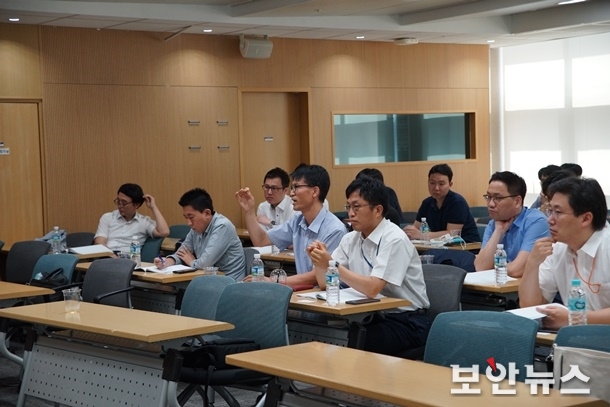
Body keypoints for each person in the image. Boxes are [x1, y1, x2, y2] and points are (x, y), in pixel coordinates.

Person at [307, 176, 430, 356]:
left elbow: (373, 288)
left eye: (356, 207)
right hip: (370, 315)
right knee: (320, 330)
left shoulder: (394, 239)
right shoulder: (350, 238)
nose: (350, 213)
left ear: (378, 210)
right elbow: (326, 284)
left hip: (407, 321)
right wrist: (319, 262)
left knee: (355, 341)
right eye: (348, 207)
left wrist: (332, 264)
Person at [519, 177, 610, 329]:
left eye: (558, 212)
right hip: (573, 338)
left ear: (586, 218)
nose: (549, 220)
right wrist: (532, 264)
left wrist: (576, 318)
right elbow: (530, 307)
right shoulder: (557, 248)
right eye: (550, 210)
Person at [235, 164, 346, 287]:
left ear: (315, 191)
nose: (292, 193)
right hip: (304, 292)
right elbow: (261, 240)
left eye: (296, 187)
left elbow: (320, 275)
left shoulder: (335, 229)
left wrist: (274, 281)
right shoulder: (297, 221)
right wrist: (249, 211)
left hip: (328, 293)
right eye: (292, 188)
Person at [154, 188, 245, 280]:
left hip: (229, 282)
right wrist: (167, 262)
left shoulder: (222, 226)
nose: (189, 223)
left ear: (207, 213)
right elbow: (182, 253)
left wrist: (191, 262)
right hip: (209, 280)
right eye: (186, 217)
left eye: (191, 217)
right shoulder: (196, 229)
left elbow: (205, 264)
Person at [473, 171, 550, 277]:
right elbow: (481, 267)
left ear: (517, 201)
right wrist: (499, 231)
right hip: (499, 284)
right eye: (489, 197)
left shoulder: (536, 222)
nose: (491, 204)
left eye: (498, 198)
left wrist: (493, 268)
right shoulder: (494, 224)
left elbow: (517, 270)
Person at [404, 163, 479, 243]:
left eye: (441, 184)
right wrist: (410, 232)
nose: (436, 188)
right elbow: (416, 228)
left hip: (466, 246)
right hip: (437, 246)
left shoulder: (457, 202)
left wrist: (422, 235)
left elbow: (452, 234)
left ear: (450, 184)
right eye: (432, 183)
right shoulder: (426, 203)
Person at [94, 183, 169, 251]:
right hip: (107, 256)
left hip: (129, 259)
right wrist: (111, 256)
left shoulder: (144, 222)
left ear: (136, 205)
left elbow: (164, 232)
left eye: (124, 203)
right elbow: (99, 242)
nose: (120, 206)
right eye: (118, 201)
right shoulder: (107, 217)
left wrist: (153, 207)